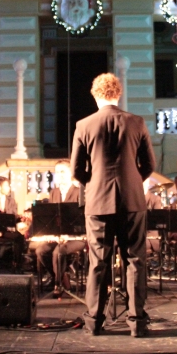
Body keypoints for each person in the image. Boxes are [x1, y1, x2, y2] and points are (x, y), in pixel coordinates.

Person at [71, 73, 156, 338]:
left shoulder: (84, 125)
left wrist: (95, 183)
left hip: (97, 202)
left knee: (98, 262)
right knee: (135, 260)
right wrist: (133, 181)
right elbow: (150, 165)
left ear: (95, 95)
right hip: (132, 200)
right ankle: (137, 322)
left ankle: (95, 322)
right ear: (118, 94)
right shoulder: (136, 122)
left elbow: (76, 170)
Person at [36, 160, 85, 298]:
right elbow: (52, 218)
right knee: (40, 250)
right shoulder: (54, 192)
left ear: (70, 173)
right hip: (58, 236)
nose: (60, 175)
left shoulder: (79, 192)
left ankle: (58, 284)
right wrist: (50, 234)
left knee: (58, 252)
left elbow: (82, 220)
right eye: (57, 172)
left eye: (63, 171)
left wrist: (68, 235)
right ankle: (62, 276)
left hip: (76, 237)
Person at [0, 176, 24, 269]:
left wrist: (20, 218)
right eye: (6, 186)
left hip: (6, 230)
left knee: (19, 237)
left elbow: (14, 216)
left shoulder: (11, 201)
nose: (9, 188)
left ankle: (17, 264)